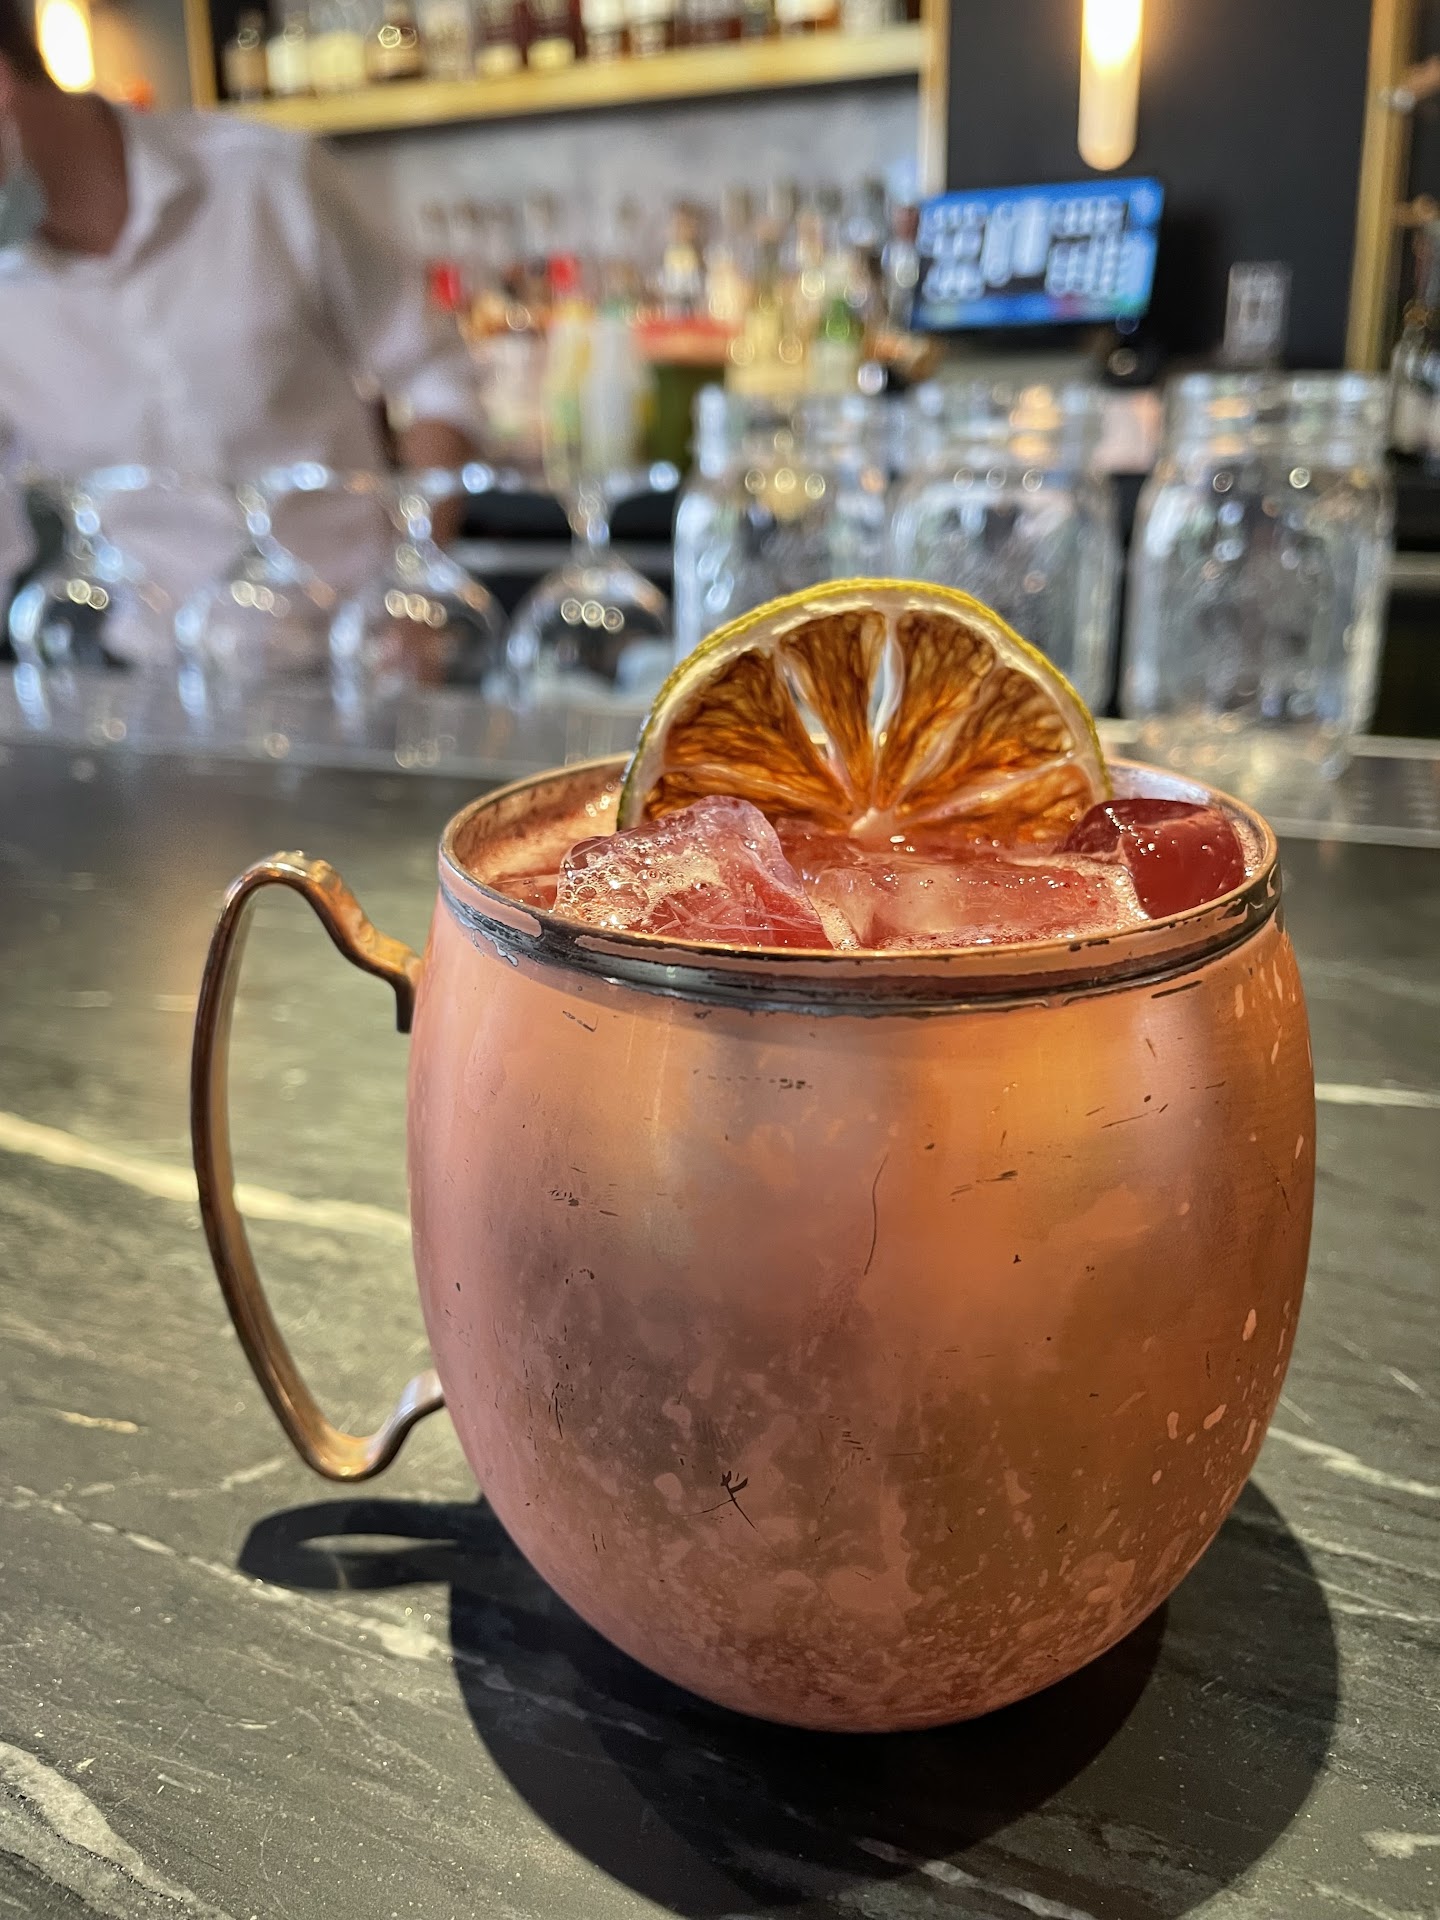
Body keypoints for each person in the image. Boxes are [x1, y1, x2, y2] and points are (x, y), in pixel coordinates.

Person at [0, 0, 478, 659]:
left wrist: (415, 596)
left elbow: (436, 374)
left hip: (363, 649)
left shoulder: (262, 178)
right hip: (158, 680)